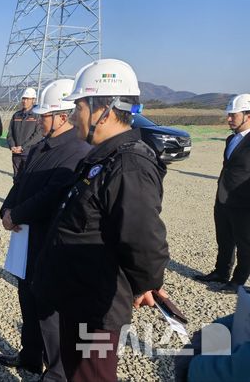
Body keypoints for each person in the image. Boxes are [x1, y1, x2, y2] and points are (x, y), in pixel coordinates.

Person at [32, 59, 170, 381]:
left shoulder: (128, 165)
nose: (71, 116)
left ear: (103, 110)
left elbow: (142, 238)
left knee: (92, 376)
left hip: (96, 308)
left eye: (78, 107)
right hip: (76, 298)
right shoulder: (101, 158)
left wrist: (147, 282)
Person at [0, 79, 91, 380]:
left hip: (48, 243)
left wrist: (17, 214)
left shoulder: (76, 151)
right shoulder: (40, 148)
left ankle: (57, 372)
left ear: (62, 117)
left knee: (49, 312)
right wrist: (6, 210)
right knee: (27, 300)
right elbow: (21, 183)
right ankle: (29, 356)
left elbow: (51, 194)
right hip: (27, 239)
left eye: (44, 115)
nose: (38, 120)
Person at [194, 93, 250, 293]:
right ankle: (221, 272)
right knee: (224, 239)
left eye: (233, 115)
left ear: (248, 115)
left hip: (244, 203)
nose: (228, 119)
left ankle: (238, 281)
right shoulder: (230, 139)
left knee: (245, 244)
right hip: (223, 198)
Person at [7, 88, 43, 177]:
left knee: (27, 178)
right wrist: (12, 146)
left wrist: (23, 147)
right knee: (16, 177)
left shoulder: (37, 116)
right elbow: (10, 133)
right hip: (16, 153)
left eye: (28, 99)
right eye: (23, 98)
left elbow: (38, 135)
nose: (25, 101)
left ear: (33, 100)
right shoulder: (16, 115)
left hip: (29, 153)